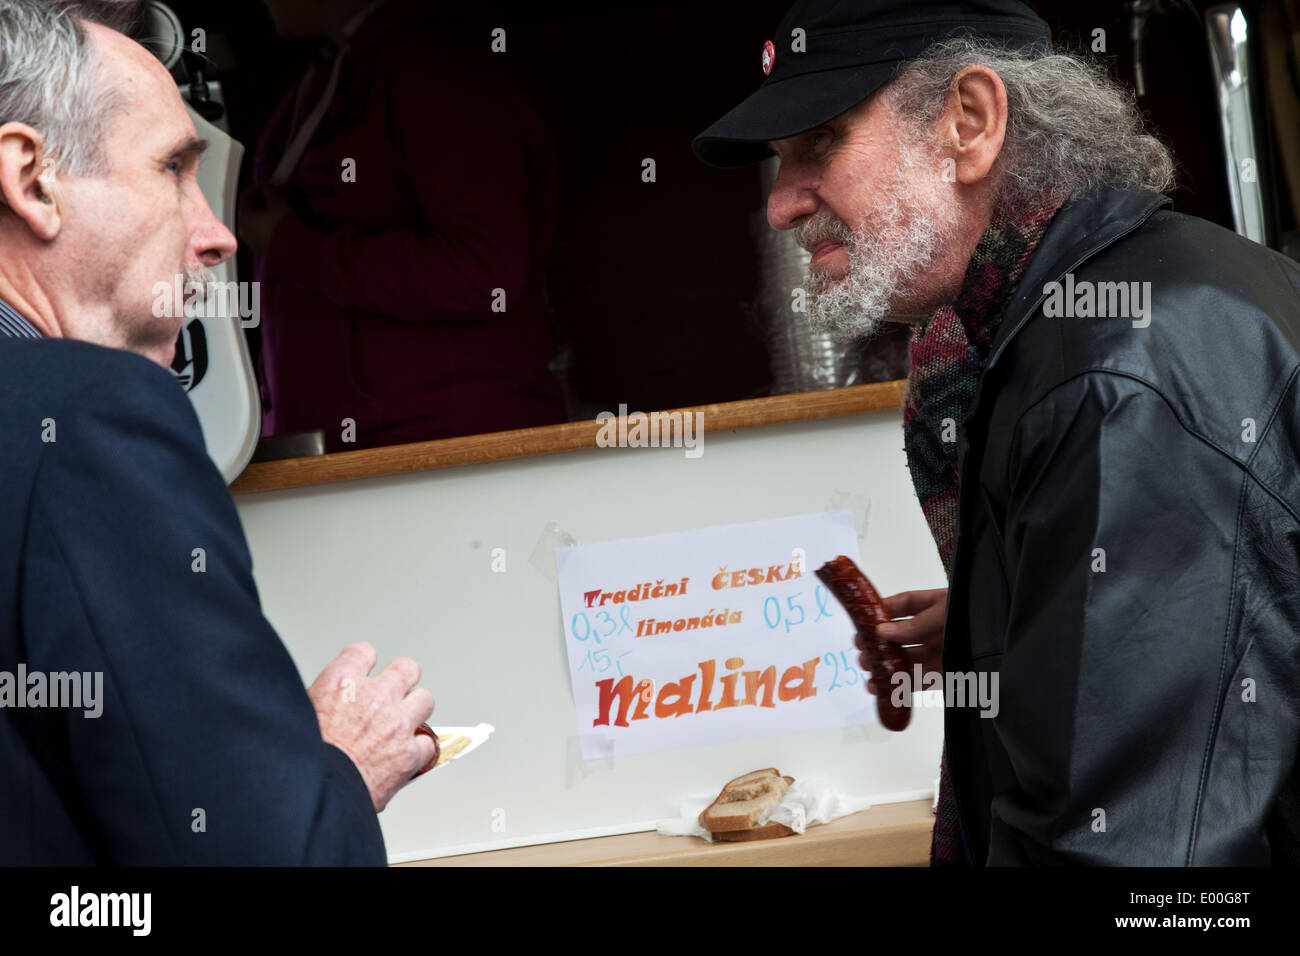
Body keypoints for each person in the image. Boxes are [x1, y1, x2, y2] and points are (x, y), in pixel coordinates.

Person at [695, 0, 1300, 865]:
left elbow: (1139, 854)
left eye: (820, 141)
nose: (782, 205)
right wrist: (1013, 617)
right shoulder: (1090, 313)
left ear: (969, 122)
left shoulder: (1115, 371)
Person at [0, 0, 435, 864]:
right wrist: (332, 773)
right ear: (31, 179)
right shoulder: (91, 421)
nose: (220, 236)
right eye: (173, 169)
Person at [240, 0, 568, 452]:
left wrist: (291, 244)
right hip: (346, 452)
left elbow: (484, 269)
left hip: (446, 451)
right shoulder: (332, 73)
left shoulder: (433, 68)